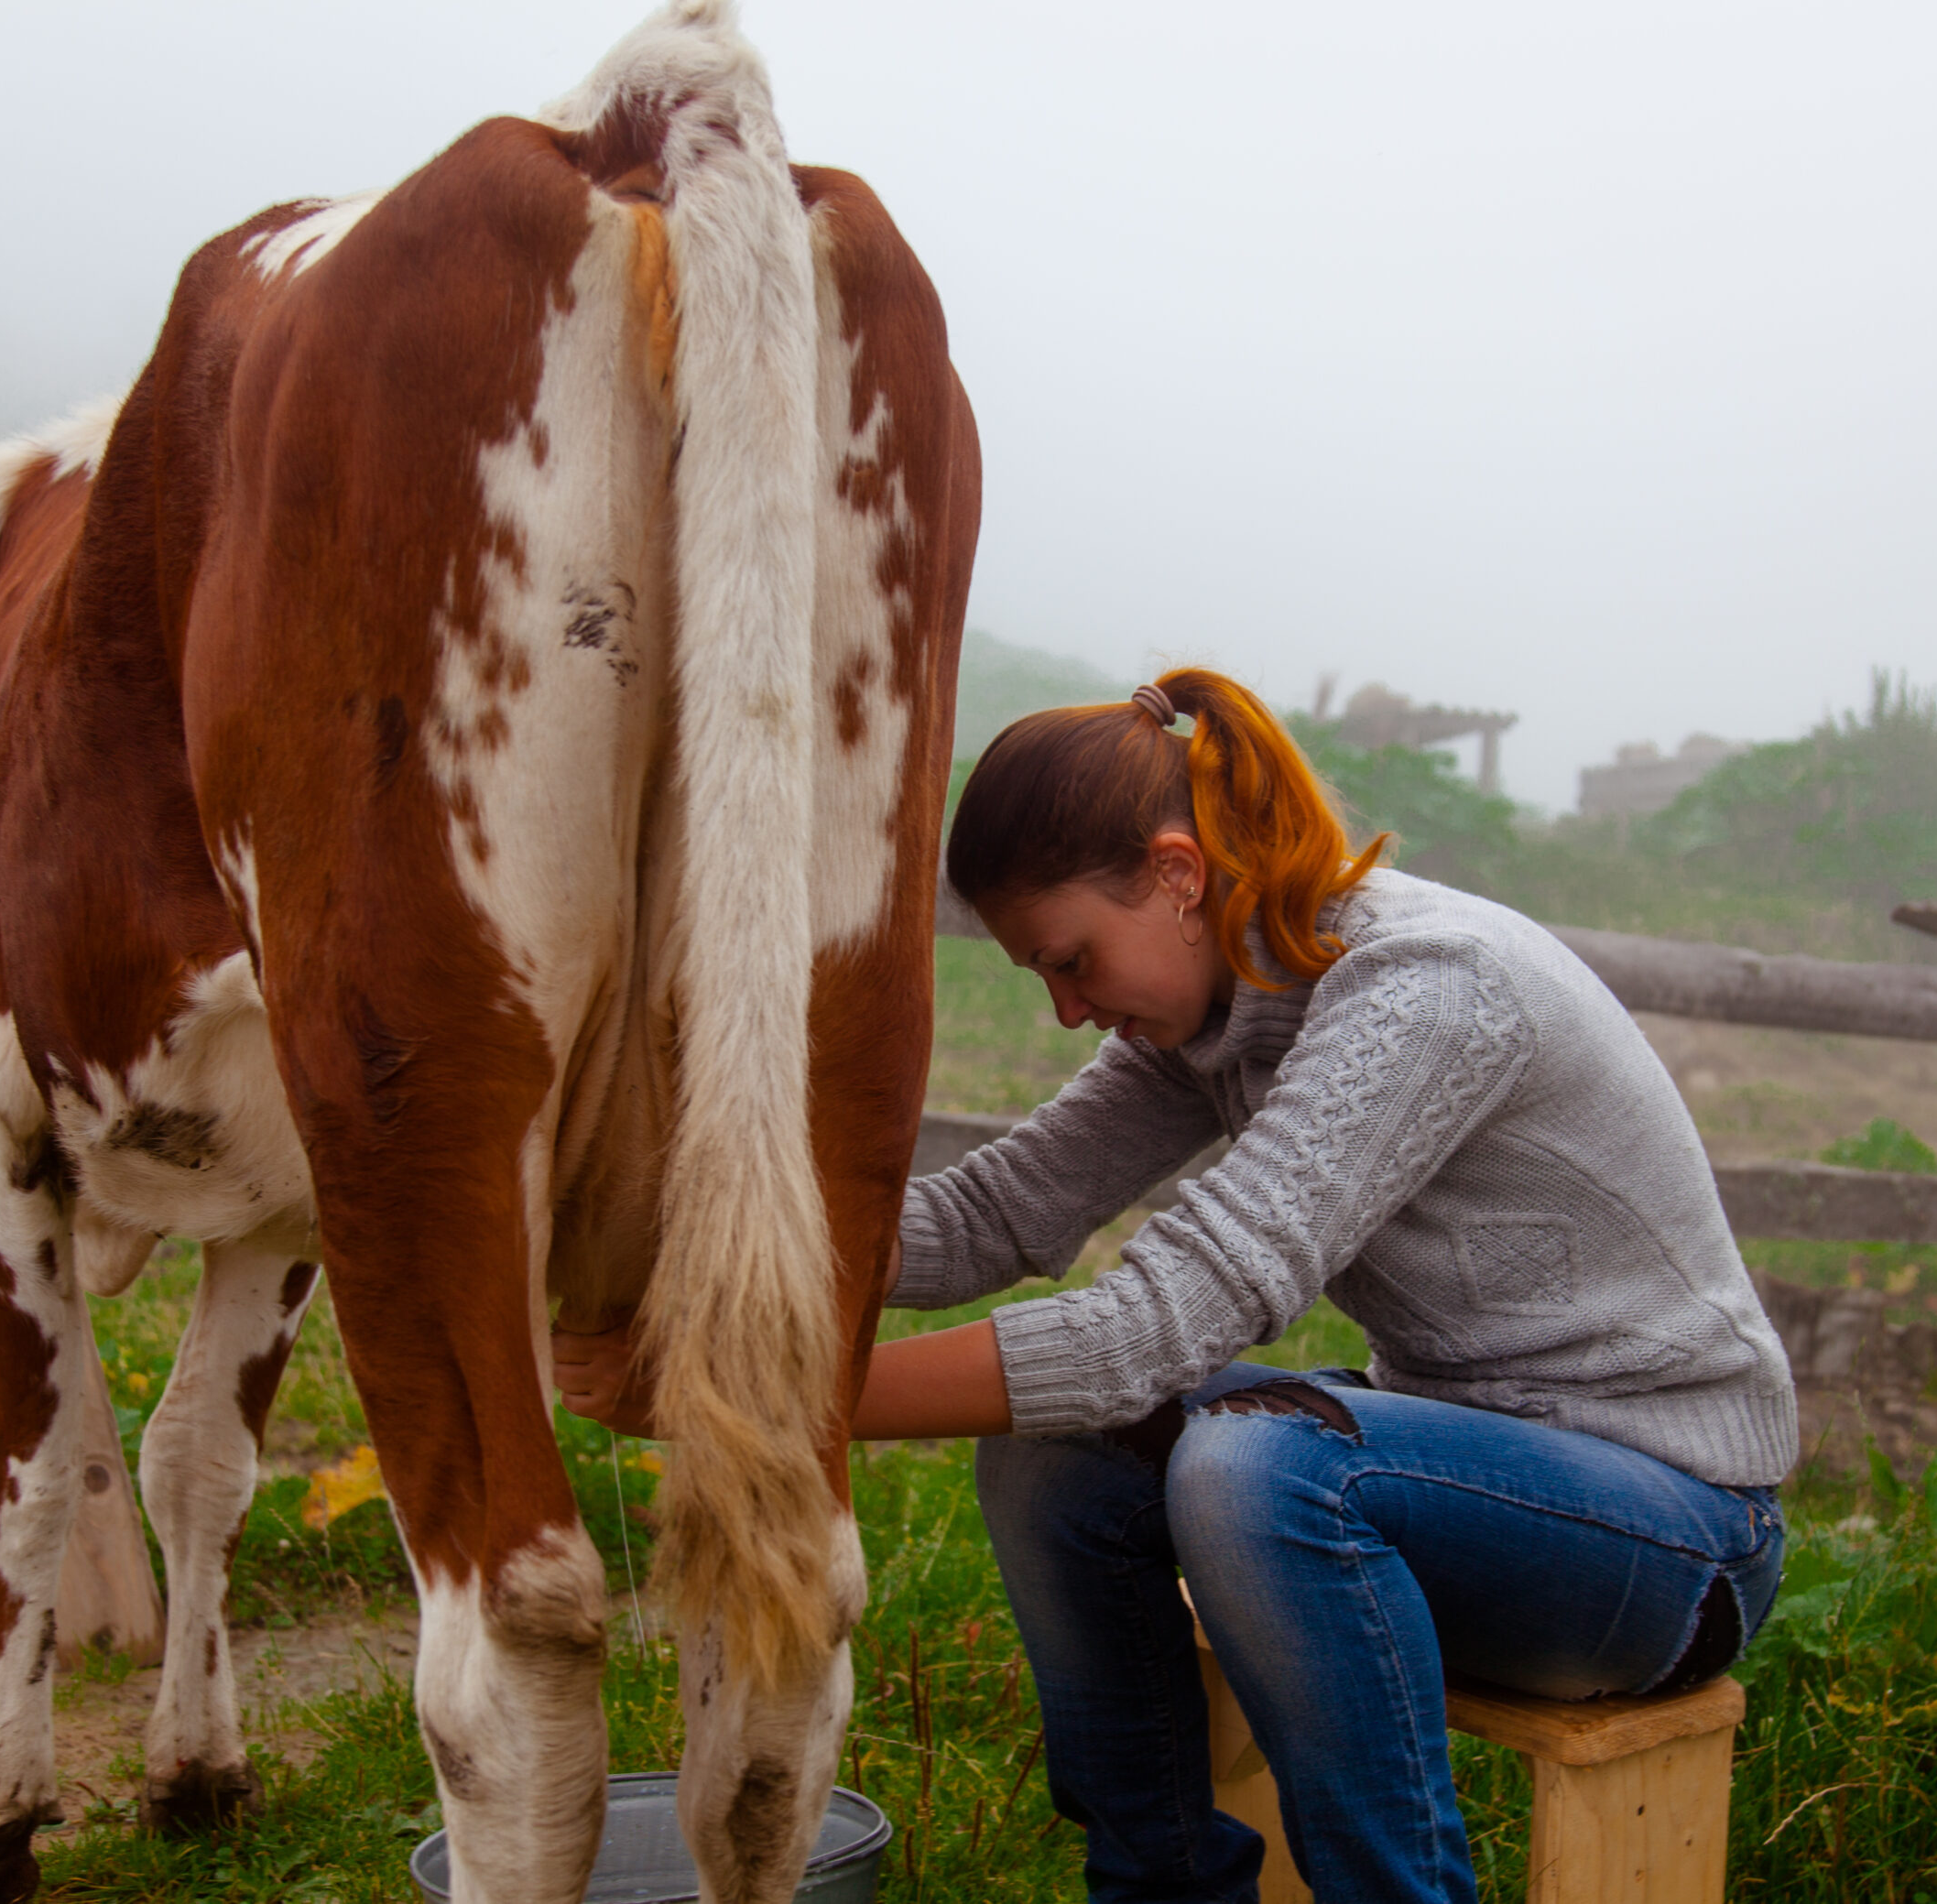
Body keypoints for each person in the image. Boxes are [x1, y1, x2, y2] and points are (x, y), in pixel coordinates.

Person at [554, 666, 1794, 1904]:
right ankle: (1162, 1889)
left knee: (1256, 1472)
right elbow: (989, 1217)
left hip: (1675, 1535)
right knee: (1062, 1452)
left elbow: (1149, 1331)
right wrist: (674, 1245)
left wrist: (753, 1396)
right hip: (1475, 1481)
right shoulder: (1221, 1011)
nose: (1066, 1010)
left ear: (1175, 875)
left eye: (1073, 959)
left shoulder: (1426, 990)